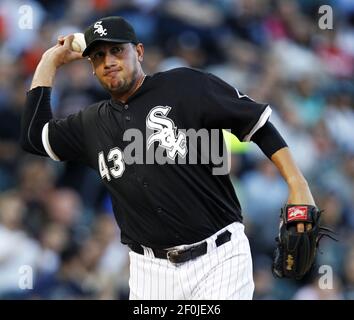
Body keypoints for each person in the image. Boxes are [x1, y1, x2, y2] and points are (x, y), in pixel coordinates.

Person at [20, 16, 317, 300]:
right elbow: (35, 136)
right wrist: (50, 60)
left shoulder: (185, 85)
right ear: (92, 68)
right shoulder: (90, 123)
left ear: (138, 51)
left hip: (218, 256)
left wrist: (297, 183)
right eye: (98, 56)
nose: (108, 61)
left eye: (116, 50)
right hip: (150, 271)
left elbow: (257, 124)